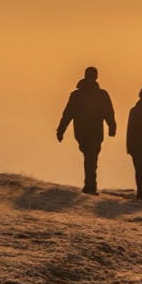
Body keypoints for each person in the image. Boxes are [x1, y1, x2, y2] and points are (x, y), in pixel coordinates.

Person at [55, 66, 116, 194]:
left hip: (87, 132)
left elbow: (108, 112)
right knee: (91, 158)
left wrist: (112, 126)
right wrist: (60, 130)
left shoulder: (95, 95)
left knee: (90, 158)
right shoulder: (83, 95)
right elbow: (68, 113)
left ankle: (90, 184)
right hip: (87, 132)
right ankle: (90, 184)